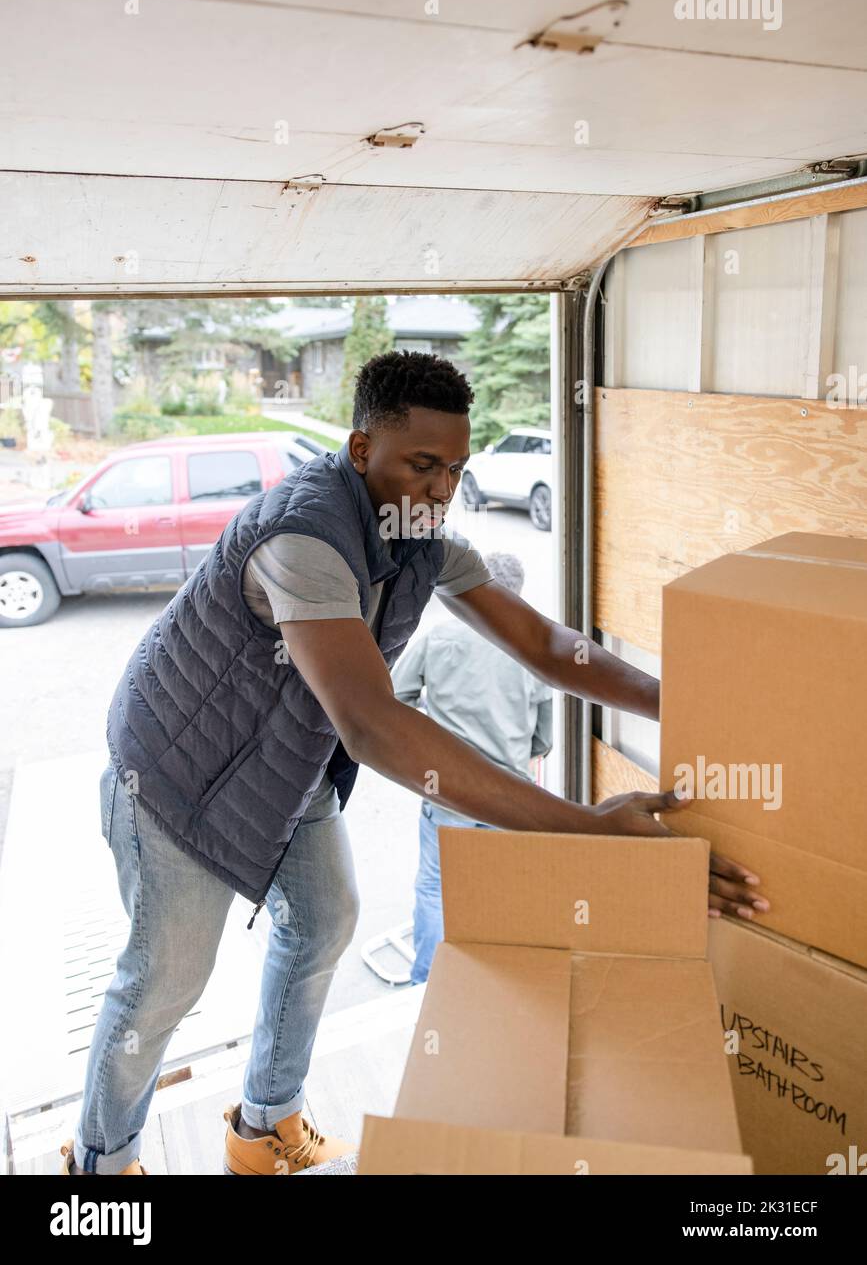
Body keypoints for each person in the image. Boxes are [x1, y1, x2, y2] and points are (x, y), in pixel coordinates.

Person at [60, 349, 768, 1177]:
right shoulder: (302, 537)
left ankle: (263, 1128)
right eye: (422, 466)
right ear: (361, 451)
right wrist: (590, 832)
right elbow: (372, 727)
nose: (441, 490)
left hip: (285, 770)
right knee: (164, 986)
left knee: (324, 924)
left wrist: (687, 707)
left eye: (456, 470)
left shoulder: (425, 537)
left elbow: (544, 645)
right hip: (174, 781)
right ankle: (101, 1166)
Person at [392, 550, 553, 983]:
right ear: (516, 598)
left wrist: (431, 737)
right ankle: (499, 974)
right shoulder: (531, 651)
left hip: (450, 794)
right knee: (504, 887)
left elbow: (395, 699)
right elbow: (544, 739)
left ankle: (427, 979)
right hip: (510, 796)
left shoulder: (436, 639)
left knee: (435, 886)